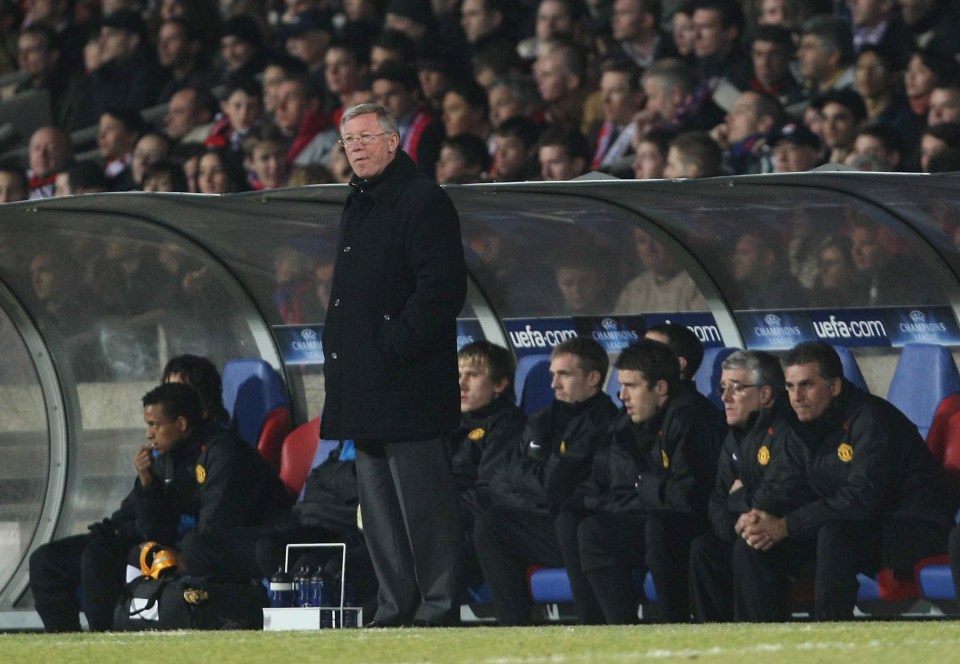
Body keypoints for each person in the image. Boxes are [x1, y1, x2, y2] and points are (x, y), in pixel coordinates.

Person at [320, 102, 466, 627]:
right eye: (347, 141)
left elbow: (441, 288)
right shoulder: (359, 201)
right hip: (363, 381)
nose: (355, 147)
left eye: (364, 137)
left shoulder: (422, 198)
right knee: (378, 511)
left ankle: (437, 605)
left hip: (407, 382)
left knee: (424, 505)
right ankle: (394, 606)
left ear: (392, 140)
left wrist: (394, 345)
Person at [29, 381, 290, 632]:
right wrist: (147, 484)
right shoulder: (163, 457)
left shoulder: (223, 452)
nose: (148, 434)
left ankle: (106, 639)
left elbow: (214, 532)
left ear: (182, 423)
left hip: (217, 550)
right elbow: (146, 522)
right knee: (46, 561)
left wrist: (156, 544)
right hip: (156, 541)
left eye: (154, 425)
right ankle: (68, 646)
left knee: (100, 559)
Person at [735, 341, 958, 621]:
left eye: (807, 385)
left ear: (835, 386)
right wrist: (757, 515)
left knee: (834, 533)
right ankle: (762, 641)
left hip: (912, 527)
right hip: (851, 525)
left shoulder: (872, 419)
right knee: (753, 542)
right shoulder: (797, 426)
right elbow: (784, 483)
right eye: (790, 387)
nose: (797, 396)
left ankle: (830, 634)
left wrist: (786, 525)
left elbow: (862, 498)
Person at [474, 337, 618, 626]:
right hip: (544, 522)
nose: (553, 384)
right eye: (552, 374)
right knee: (490, 523)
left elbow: (554, 484)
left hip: (578, 531)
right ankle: (513, 631)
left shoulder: (603, 422)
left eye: (564, 375)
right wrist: (532, 486)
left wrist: (523, 475)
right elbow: (498, 481)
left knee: (500, 525)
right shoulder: (541, 419)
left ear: (593, 378)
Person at [688, 350, 801, 622]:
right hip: (745, 529)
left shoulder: (789, 430)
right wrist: (733, 525)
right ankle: (714, 640)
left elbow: (780, 492)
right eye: (723, 388)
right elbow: (716, 501)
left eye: (735, 388)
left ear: (764, 395)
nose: (724, 397)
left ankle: (758, 637)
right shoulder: (733, 438)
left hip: (793, 535)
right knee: (703, 548)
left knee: (751, 544)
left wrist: (738, 497)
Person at [450, 341, 526, 589]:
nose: (461, 383)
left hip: (470, 536)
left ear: (500, 384)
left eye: (472, 375)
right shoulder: (446, 425)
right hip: (438, 530)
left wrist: (432, 516)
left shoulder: (509, 427)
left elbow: (488, 492)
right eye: (458, 375)